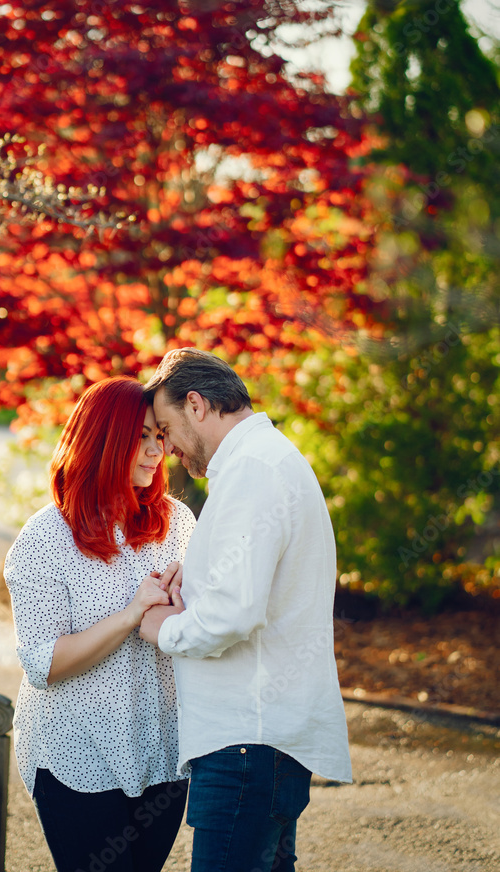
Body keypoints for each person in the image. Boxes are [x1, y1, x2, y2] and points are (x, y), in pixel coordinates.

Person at [138, 348, 353, 872]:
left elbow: (233, 616)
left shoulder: (253, 472)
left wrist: (161, 628)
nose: (165, 451)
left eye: (164, 430)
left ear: (196, 405)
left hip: (245, 745)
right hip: (261, 744)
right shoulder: (266, 461)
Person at [4, 376, 196, 872]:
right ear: (104, 438)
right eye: (140, 437)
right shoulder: (46, 538)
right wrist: (133, 614)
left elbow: (196, 626)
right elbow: (46, 664)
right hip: (76, 756)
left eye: (160, 435)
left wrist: (184, 603)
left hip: (161, 751)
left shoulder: (176, 522)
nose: (157, 450)